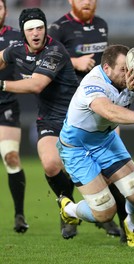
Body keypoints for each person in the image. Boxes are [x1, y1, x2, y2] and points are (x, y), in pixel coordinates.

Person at [56, 44, 134, 247]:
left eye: (130, 69)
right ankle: (69, 210)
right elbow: (107, 111)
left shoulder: (130, 78)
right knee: (104, 213)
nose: (129, 75)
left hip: (105, 140)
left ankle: (132, 227)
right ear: (107, 69)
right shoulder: (93, 83)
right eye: (123, 70)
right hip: (76, 148)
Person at [0, 7, 81, 239]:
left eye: (40, 28)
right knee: (50, 165)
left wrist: (2, 85)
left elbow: (36, 85)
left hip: (76, 119)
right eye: (30, 29)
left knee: (104, 177)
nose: (36, 33)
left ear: (45, 29)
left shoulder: (55, 50)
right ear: (23, 33)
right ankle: (67, 208)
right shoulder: (15, 49)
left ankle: (125, 222)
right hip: (48, 118)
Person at [48, 0, 122, 238]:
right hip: (73, 107)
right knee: (71, 165)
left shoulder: (101, 24)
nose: (88, 1)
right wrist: (75, 62)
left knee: (110, 163)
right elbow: (46, 60)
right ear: (71, 1)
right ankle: (69, 215)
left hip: (103, 107)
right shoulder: (58, 28)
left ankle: (112, 220)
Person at [0, 0, 29, 233]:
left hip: (5, 105)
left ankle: (19, 214)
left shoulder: (17, 38)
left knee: (11, 157)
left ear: (5, 11)